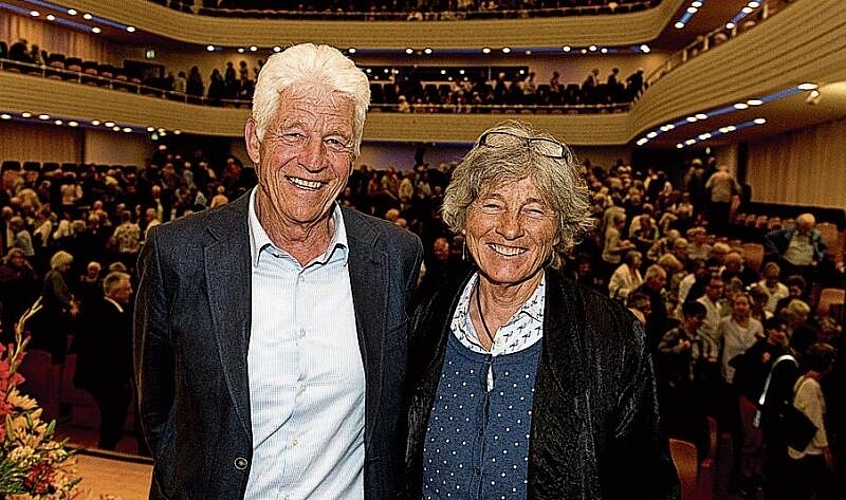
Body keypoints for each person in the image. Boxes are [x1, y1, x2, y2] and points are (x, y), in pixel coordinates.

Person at [134, 43, 423, 500]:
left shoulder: (394, 256)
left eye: (335, 140)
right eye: (293, 134)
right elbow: (158, 410)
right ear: (255, 139)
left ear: (354, 154)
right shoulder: (179, 252)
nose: (314, 159)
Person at [404, 120, 680, 499]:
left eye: (534, 211)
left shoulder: (613, 339)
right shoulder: (420, 314)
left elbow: (648, 486)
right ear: (464, 217)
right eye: (492, 204)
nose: (510, 228)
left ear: (559, 230)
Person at [74, 271, 134, 450]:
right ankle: (106, 450)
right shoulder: (113, 315)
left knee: (112, 417)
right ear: (114, 293)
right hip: (107, 378)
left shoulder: (96, 309)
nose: (131, 291)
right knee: (112, 417)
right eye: (127, 289)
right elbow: (116, 350)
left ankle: (107, 446)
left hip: (96, 375)